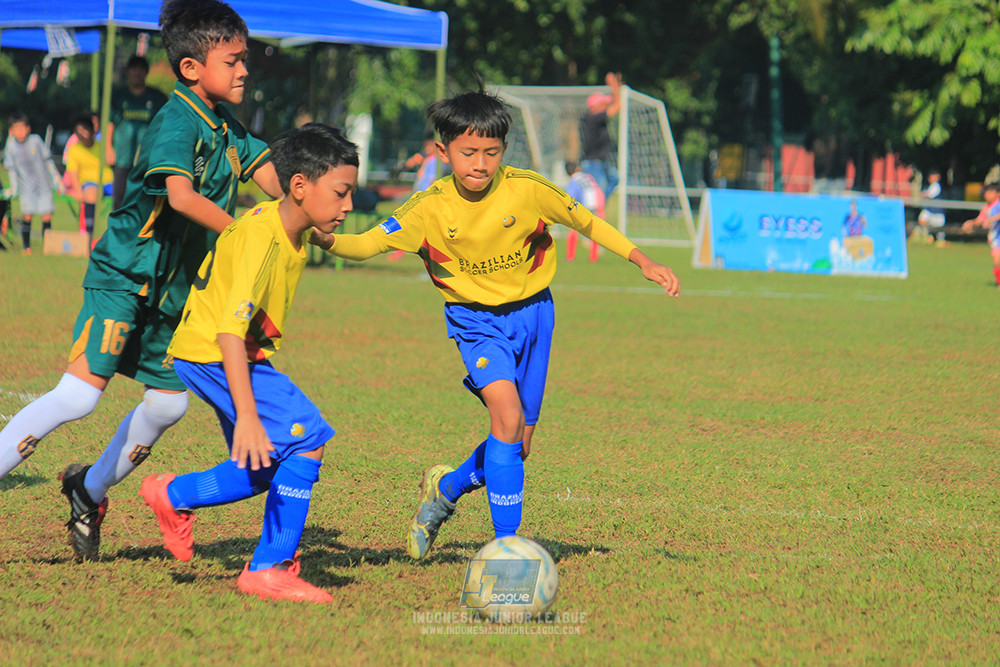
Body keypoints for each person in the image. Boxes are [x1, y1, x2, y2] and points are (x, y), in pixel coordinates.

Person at [310, 90, 680, 560]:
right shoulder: (429, 208)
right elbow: (366, 244)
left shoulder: (527, 189)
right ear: (443, 152)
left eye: (491, 152)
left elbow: (587, 222)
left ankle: (444, 489)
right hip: (475, 321)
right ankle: (507, 548)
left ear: (504, 150)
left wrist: (641, 259)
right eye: (468, 153)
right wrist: (324, 237)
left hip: (535, 316)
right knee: (505, 418)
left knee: (516, 444)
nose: (480, 163)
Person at [0, 0, 282, 564]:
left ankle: (88, 491)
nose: (245, 70)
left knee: (168, 405)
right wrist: (242, 233)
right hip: (126, 276)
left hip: (177, 295)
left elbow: (272, 177)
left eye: (245, 58)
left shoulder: (227, 127)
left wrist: (311, 207)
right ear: (191, 68)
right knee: (79, 396)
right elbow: (179, 196)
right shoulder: (175, 121)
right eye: (234, 60)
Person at [140, 123, 358, 603]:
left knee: (262, 466)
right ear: (299, 186)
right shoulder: (263, 239)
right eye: (341, 194)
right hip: (218, 353)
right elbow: (228, 333)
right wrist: (249, 417)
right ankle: (269, 568)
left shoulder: (286, 225)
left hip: (215, 353)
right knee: (308, 436)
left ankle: (172, 496)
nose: (347, 206)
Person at [107, 55, 169, 210]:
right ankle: (119, 231)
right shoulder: (118, 96)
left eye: (141, 69)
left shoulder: (157, 97)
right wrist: (108, 148)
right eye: (134, 69)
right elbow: (110, 123)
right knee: (119, 198)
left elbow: (165, 126)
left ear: (146, 72)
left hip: (147, 158)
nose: (137, 73)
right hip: (122, 156)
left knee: (145, 198)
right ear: (128, 72)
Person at [3, 112, 63, 254]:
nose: (20, 132)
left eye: (22, 128)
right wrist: (14, 188)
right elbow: (12, 170)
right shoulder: (11, 147)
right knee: (27, 216)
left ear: (28, 128)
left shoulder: (35, 141)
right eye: (16, 129)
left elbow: (48, 162)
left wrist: (57, 181)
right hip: (26, 188)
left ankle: (47, 247)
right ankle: (26, 247)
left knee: (46, 216)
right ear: (11, 131)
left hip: (43, 186)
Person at [64, 113, 114, 243]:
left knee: (124, 194)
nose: (84, 134)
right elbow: (73, 172)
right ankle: (89, 236)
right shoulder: (74, 150)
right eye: (80, 131)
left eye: (86, 130)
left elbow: (112, 160)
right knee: (91, 195)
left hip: (109, 181)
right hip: (90, 183)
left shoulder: (103, 145)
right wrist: (78, 191)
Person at [579, 71, 623, 199]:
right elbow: (617, 106)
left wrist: (616, 89)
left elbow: (613, 102)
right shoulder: (594, 118)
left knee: (614, 179)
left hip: (598, 162)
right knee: (596, 197)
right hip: (593, 164)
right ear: (596, 107)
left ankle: (599, 209)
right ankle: (596, 212)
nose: (606, 106)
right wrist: (613, 86)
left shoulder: (592, 117)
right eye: (603, 104)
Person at [563, 161, 604, 262]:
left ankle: (570, 256)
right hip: (598, 203)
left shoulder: (573, 181)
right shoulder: (588, 176)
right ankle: (594, 257)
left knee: (573, 228)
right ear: (577, 168)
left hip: (586, 205)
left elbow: (570, 197)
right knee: (594, 230)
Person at [961, 182, 1000, 286]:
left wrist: (992, 219)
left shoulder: (998, 204)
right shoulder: (987, 207)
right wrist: (971, 223)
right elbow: (980, 220)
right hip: (996, 238)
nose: (985, 195)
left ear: (997, 194)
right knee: (996, 262)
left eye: (988, 193)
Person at [916, 170, 945, 242]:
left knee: (940, 232)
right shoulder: (932, 185)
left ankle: (933, 238)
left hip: (936, 211)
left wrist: (923, 194)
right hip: (930, 210)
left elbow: (928, 195)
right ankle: (927, 236)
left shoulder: (936, 185)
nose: (930, 178)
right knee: (922, 219)